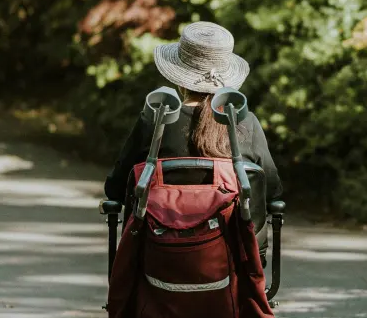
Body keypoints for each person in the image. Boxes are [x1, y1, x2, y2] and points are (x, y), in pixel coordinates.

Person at [104, 21, 282, 215]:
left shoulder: (155, 120)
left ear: (180, 79)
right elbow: (272, 192)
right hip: (233, 242)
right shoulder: (246, 123)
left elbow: (116, 189)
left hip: (161, 242)